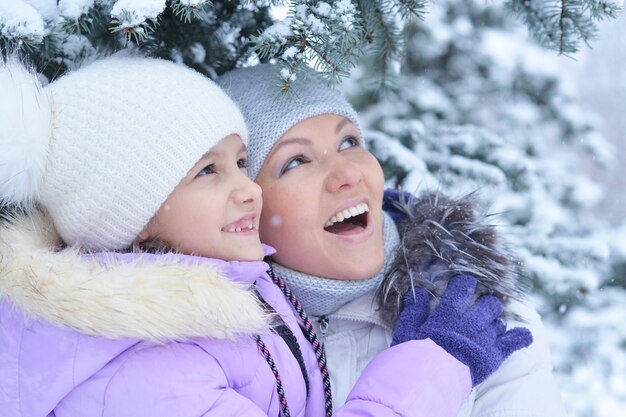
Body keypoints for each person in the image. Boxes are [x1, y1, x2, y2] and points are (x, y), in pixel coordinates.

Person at [0, 56, 529, 417]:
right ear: (135, 217)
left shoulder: (238, 303)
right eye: (208, 171)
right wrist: (434, 363)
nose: (247, 190)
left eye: (241, 163)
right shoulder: (144, 361)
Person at [217, 63, 568, 417]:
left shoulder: (481, 321)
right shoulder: (214, 350)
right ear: (246, 207)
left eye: (349, 142)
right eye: (296, 161)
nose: (348, 173)